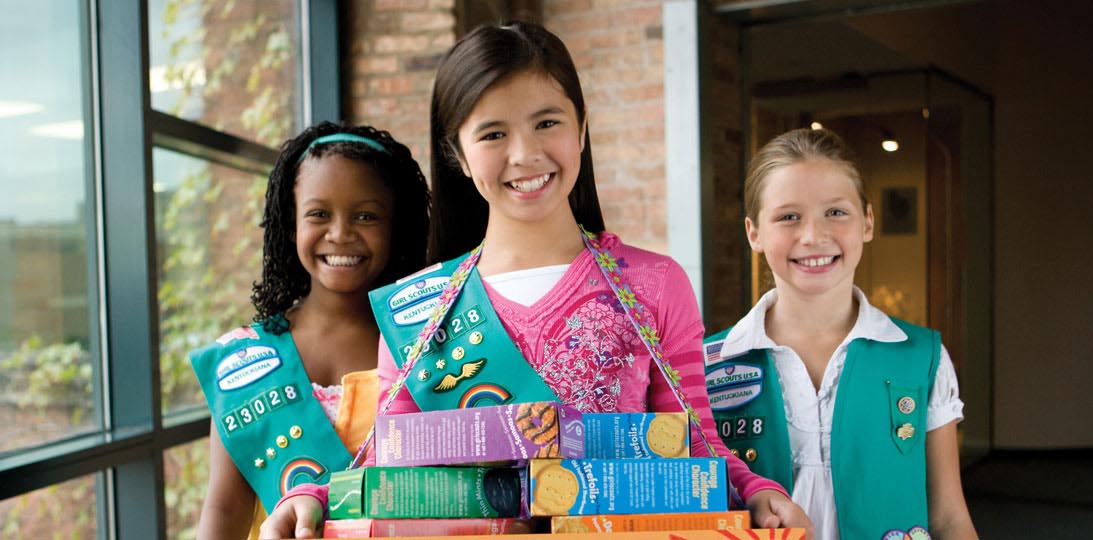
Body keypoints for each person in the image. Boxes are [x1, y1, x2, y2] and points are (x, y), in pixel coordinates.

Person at [264, 21, 813, 539]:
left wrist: (752, 486)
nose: (525, 155)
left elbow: (693, 439)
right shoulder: (419, 306)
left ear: (581, 129)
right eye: (493, 133)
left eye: (547, 123)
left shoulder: (653, 283)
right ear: (457, 152)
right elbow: (388, 455)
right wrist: (312, 495)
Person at [704, 128, 977, 540]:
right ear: (753, 233)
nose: (813, 236)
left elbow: (948, 518)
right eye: (788, 216)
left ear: (867, 221)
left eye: (836, 212)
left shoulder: (922, 358)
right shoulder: (706, 364)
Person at [190, 122, 429, 540]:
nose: (340, 234)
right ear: (289, 223)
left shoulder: (423, 341)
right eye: (319, 214)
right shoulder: (245, 360)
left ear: (396, 225)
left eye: (366, 215)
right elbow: (224, 507)